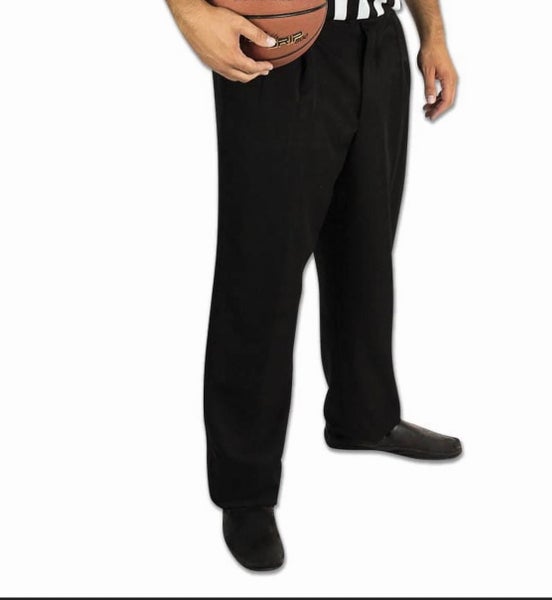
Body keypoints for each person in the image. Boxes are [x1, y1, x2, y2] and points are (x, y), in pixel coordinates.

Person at [165, 0, 461, 571]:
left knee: (366, 246)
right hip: (279, 44)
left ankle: (364, 416)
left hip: (379, 39)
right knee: (262, 270)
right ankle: (245, 489)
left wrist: (434, 35)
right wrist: (189, 13)